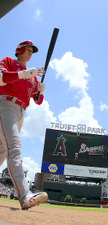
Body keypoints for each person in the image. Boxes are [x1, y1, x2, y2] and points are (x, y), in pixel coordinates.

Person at [0, 40, 48, 210]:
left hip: (21, 111)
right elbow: (1, 79)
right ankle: (25, 196)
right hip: (6, 105)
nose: (30, 53)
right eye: (27, 50)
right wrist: (24, 74)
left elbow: (37, 100)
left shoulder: (33, 76)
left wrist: (40, 90)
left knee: (2, 152)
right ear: (19, 50)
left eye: (31, 51)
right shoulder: (10, 62)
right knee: (14, 148)